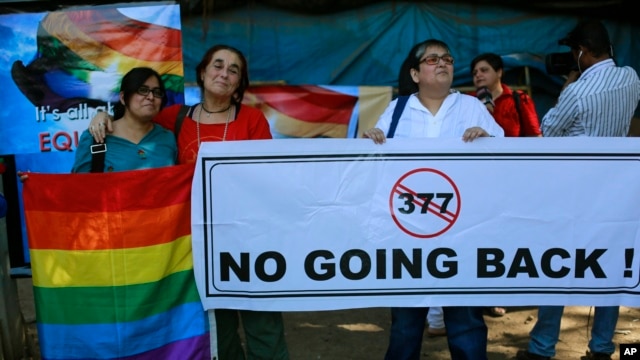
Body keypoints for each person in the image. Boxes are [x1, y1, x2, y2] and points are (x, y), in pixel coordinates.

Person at [89, 44, 290, 360]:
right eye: (218, 65)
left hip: (247, 241)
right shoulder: (174, 118)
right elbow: (134, 121)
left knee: (261, 324)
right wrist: (103, 115)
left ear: (240, 82)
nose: (224, 73)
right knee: (216, 329)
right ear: (202, 72)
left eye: (233, 70)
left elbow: (266, 179)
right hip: (195, 242)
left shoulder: (252, 120)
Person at [364, 38, 504, 360]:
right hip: (407, 234)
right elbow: (378, 164)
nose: (442, 63)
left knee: (465, 320)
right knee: (405, 323)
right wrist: (372, 140)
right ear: (414, 74)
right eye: (432, 59)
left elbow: (503, 156)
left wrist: (488, 141)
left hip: (462, 232)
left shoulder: (471, 107)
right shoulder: (396, 110)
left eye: (448, 58)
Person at [516, 20, 640, 360]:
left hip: (574, 194)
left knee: (558, 266)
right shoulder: (631, 77)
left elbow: (549, 132)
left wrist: (569, 83)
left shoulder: (578, 92)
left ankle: (542, 348)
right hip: (616, 192)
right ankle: (601, 347)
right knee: (609, 269)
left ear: (581, 51)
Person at [73, 67, 176, 172]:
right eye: (143, 90)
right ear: (123, 97)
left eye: (157, 92)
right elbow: (82, 186)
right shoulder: (96, 137)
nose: (151, 97)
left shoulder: (168, 138)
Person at [470, 52, 542, 139]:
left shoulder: (519, 99)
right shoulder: (468, 101)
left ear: (499, 72)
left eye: (484, 70)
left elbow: (534, 137)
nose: (478, 75)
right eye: (474, 73)